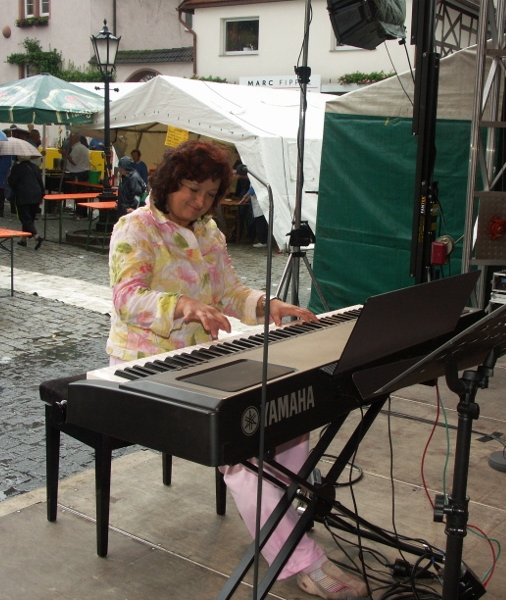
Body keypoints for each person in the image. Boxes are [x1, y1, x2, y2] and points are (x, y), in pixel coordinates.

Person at [106, 140, 368, 600]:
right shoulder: (135, 229)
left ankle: (285, 519)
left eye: (209, 193)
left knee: (287, 424)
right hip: (142, 364)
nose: (200, 202)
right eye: (192, 190)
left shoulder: (208, 232)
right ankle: (300, 560)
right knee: (244, 453)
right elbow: (128, 300)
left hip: (202, 359)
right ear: (169, 182)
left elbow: (229, 294)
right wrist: (182, 305)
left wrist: (270, 305)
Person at [7, 156, 44, 250]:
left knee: (25, 218)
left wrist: (9, 177)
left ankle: (36, 236)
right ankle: (23, 239)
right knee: (30, 218)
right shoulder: (35, 167)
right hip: (36, 195)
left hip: (23, 196)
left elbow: (12, 182)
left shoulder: (17, 168)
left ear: (19, 158)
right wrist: (41, 196)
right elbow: (40, 182)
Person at [65, 132, 90, 217]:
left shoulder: (76, 148)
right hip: (84, 172)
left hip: (78, 173)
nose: (69, 142)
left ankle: (79, 212)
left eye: (70, 140)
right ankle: (83, 212)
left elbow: (74, 162)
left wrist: (66, 154)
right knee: (83, 194)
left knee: (79, 194)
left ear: (74, 140)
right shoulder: (84, 147)